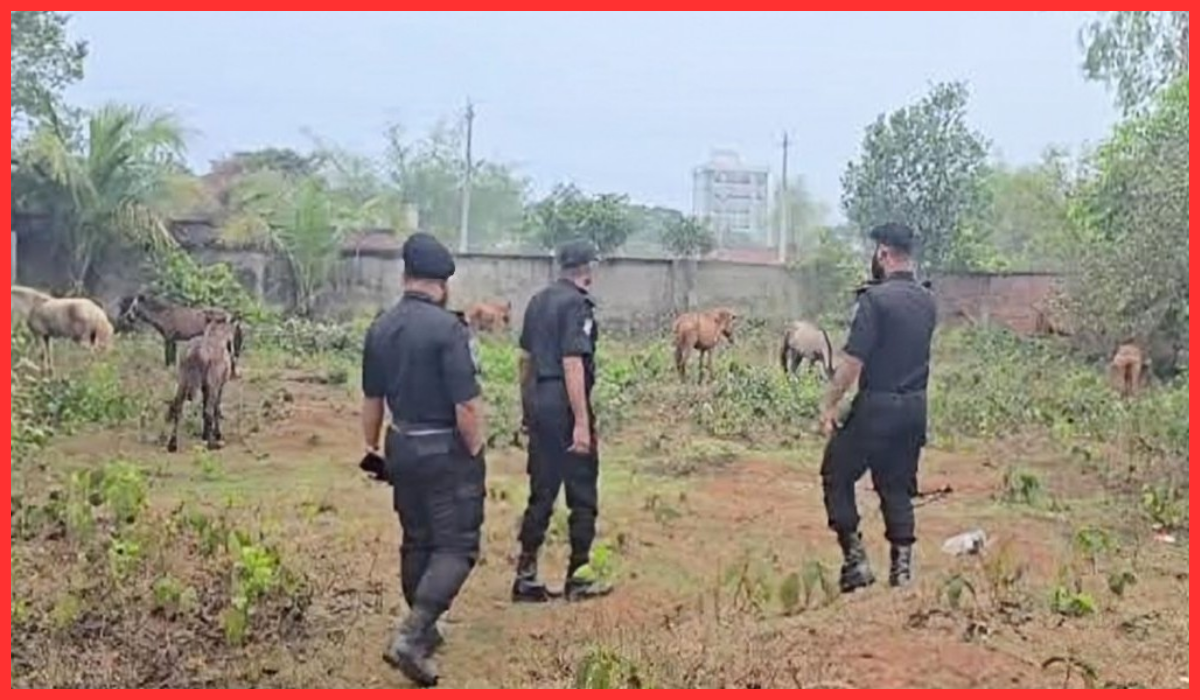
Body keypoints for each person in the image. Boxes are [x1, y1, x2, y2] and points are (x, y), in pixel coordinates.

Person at [360, 232, 487, 687]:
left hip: (401, 444)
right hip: (443, 449)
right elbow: (466, 405)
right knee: (457, 545)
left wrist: (373, 449)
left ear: (405, 277)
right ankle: (411, 636)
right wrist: (475, 449)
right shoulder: (449, 330)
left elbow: (372, 400)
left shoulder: (381, 327)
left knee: (416, 540)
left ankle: (424, 628)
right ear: (442, 284)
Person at [818, 222, 937, 593]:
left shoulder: (874, 301)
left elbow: (853, 362)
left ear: (883, 254)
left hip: (878, 407)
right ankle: (901, 574)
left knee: (836, 472)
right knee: (896, 485)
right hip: (915, 409)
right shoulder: (927, 300)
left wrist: (829, 405)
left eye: (875, 252)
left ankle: (856, 563)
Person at [511, 239, 613, 604]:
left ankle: (525, 576)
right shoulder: (577, 305)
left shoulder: (538, 301)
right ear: (587, 268)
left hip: (540, 400)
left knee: (542, 490)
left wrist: (527, 410)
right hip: (565, 403)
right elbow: (573, 362)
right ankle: (579, 577)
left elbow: (525, 362)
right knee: (581, 491)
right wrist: (581, 422)